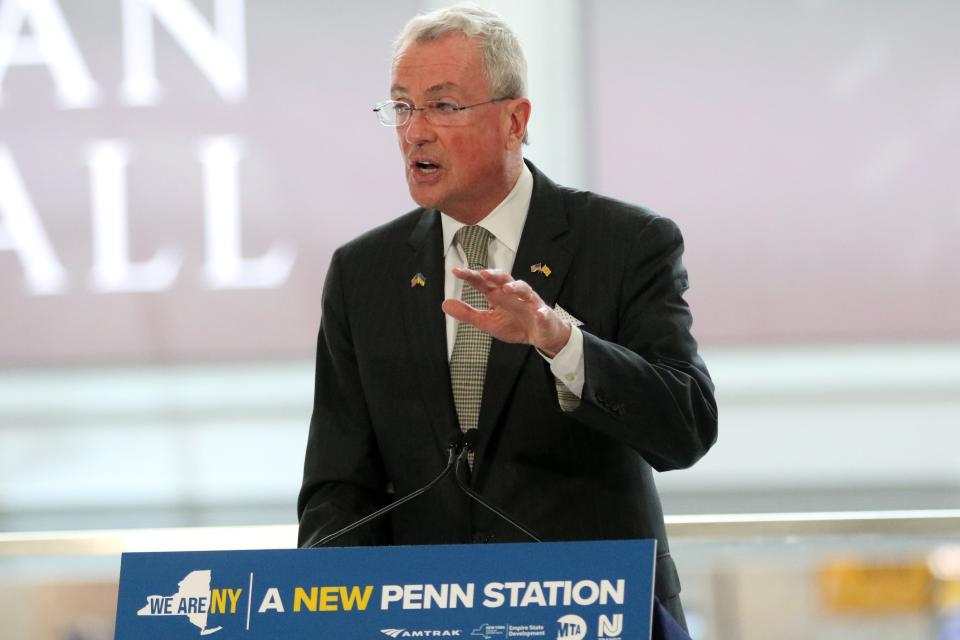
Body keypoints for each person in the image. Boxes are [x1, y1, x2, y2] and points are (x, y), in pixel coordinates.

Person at [297, 4, 717, 629]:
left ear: (515, 120)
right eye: (402, 106)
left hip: (594, 616)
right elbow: (339, 488)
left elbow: (686, 426)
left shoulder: (627, 243)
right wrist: (329, 616)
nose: (414, 132)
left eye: (442, 106)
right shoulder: (364, 273)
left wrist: (560, 342)